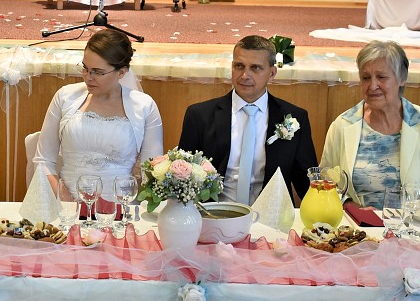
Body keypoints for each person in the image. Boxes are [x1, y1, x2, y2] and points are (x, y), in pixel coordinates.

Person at [179, 35, 317, 204]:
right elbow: (183, 179)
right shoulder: (200, 116)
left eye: (255, 68)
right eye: (239, 66)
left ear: (272, 73)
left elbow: (307, 184)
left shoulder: (295, 118)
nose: (245, 75)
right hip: (214, 213)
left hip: (272, 215)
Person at [33, 29, 163, 196]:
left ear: (121, 72)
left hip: (121, 205)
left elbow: (151, 174)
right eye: (85, 68)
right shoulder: (65, 96)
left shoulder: (144, 106)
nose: (88, 77)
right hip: (66, 203)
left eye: (98, 72)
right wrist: (66, 201)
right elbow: (43, 161)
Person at [319, 41, 420, 209]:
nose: (373, 86)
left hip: (413, 224)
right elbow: (324, 184)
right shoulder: (342, 125)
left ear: (402, 78)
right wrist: (353, 209)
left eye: (381, 77)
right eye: (366, 78)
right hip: (356, 224)